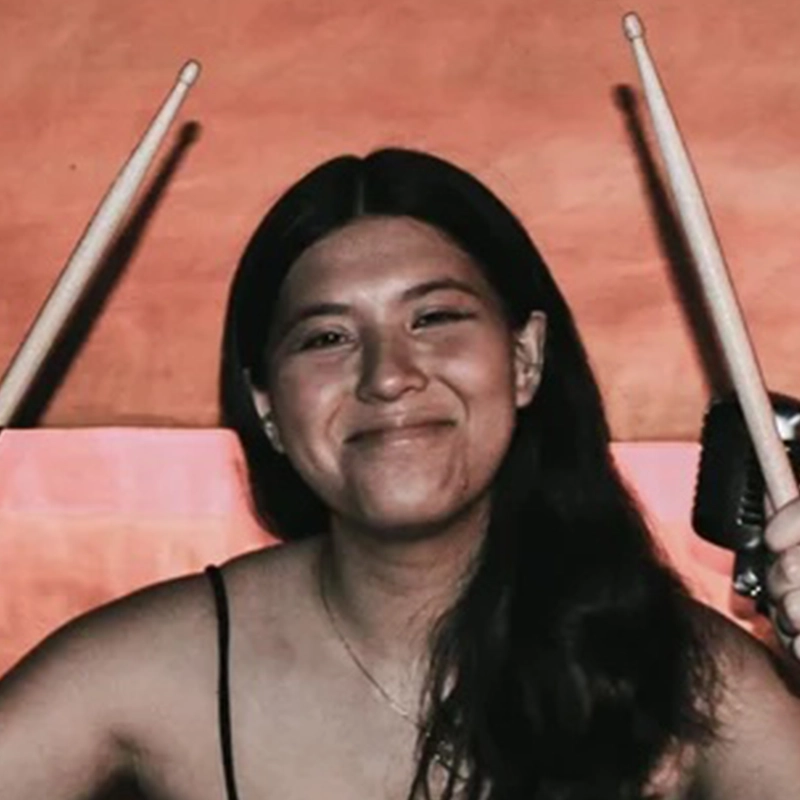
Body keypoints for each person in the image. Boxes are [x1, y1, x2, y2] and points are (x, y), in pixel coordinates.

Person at [2, 148, 800, 800]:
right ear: (267, 407)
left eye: (436, 318)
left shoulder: (689, 678)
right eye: (326, 338)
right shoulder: (148, 672)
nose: (388, 376)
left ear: (524, 359)